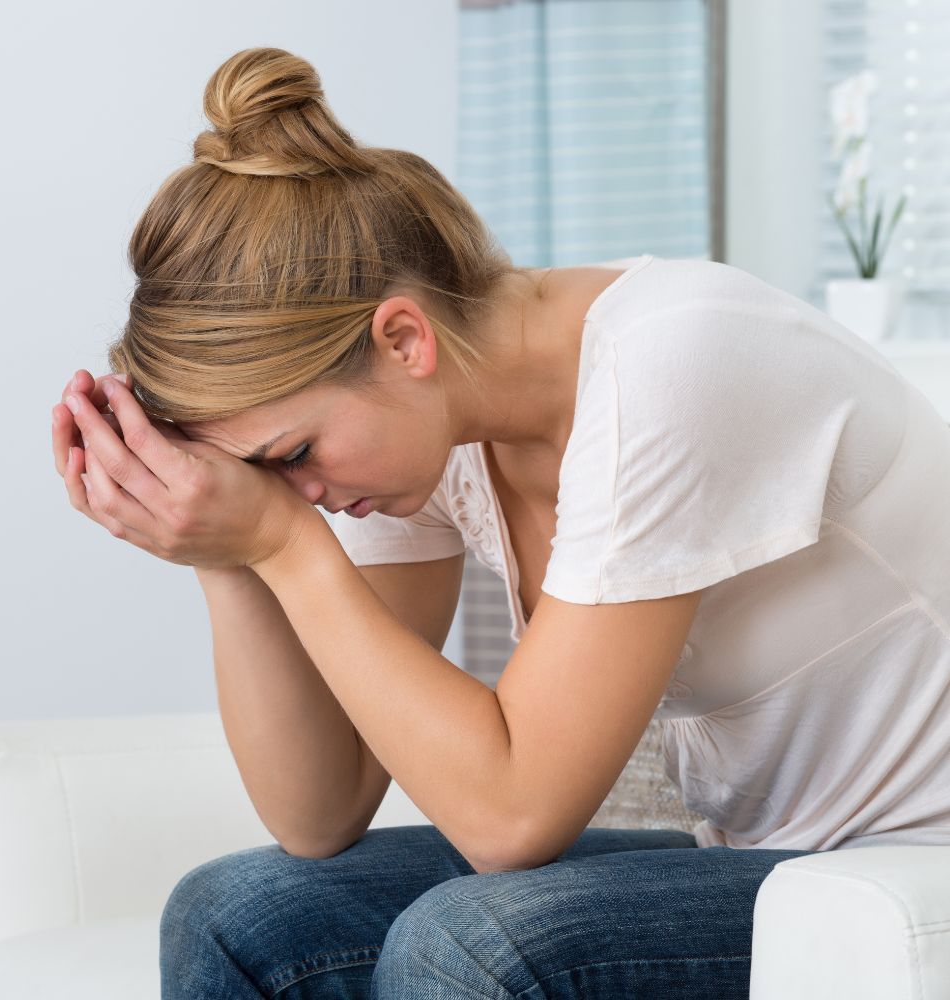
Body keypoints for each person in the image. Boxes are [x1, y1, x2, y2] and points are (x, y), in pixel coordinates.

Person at [50, 46, 950, 1000]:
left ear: (403, 340)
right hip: (781, 862)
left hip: (916, 867)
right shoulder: (429, 433)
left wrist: (283, 546)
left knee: (476, 942)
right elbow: (320, 811)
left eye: (292, 455)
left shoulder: (672, 357)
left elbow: (513, 817)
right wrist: (220, 551)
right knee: (240, 914)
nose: (296, 492)